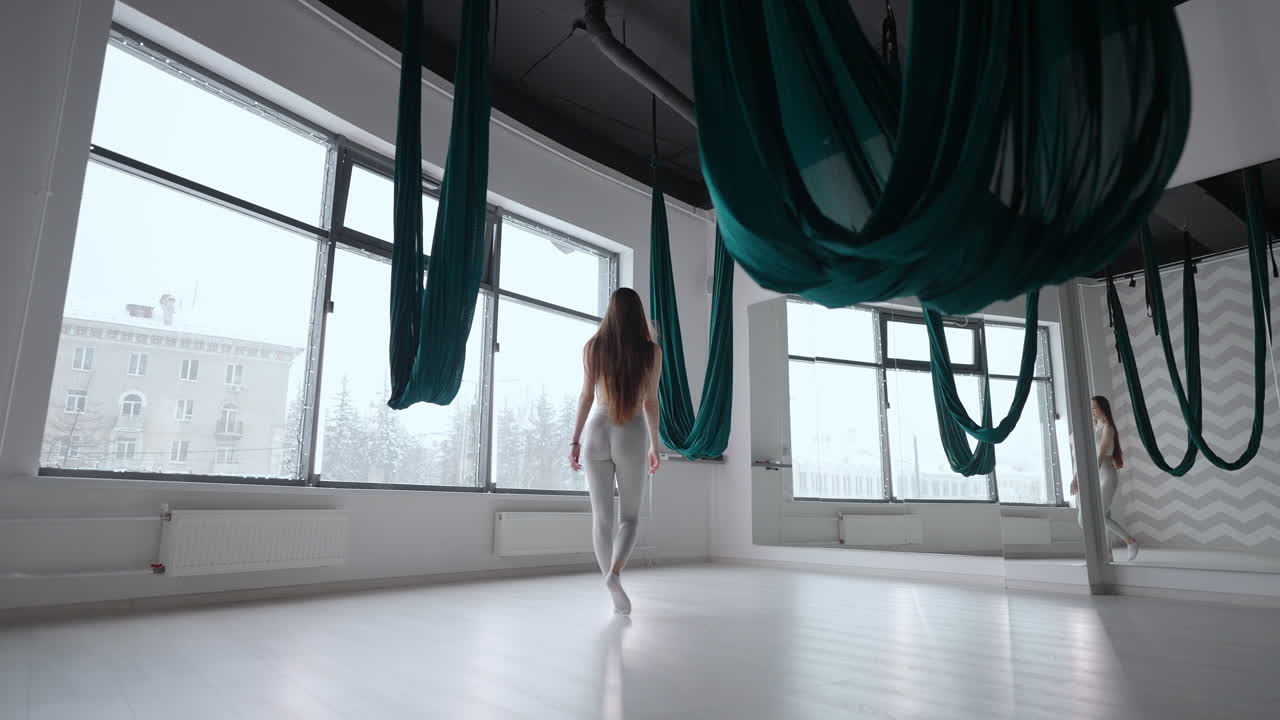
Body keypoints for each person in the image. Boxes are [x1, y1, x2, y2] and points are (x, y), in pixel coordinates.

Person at [569, 288, 661, 614]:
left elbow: (585, 397)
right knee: (630, 518)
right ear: (638, 314)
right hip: (631, 432)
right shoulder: (651, 352)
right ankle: (615, 573)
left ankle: (609, 582)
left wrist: (575, 441)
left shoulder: (593, 347)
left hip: (596, 430)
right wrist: (655, 444)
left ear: (610, 312)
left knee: (601, 518)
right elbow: (650, 403)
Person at [1071, 395, 1140, 561]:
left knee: (1097, 516)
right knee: (1096, 518)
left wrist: (1086, 478)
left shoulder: (1108, 428)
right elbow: (1085, 455)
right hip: (1093, 474)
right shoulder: (1095, 427)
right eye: (1091, 408)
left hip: (1105, 476)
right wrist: (1075, 478)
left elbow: (1100, 455)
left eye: (1094, 407)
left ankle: (1130, 541)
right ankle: (1108, 554)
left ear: (1103, 408)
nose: (1092, 411)